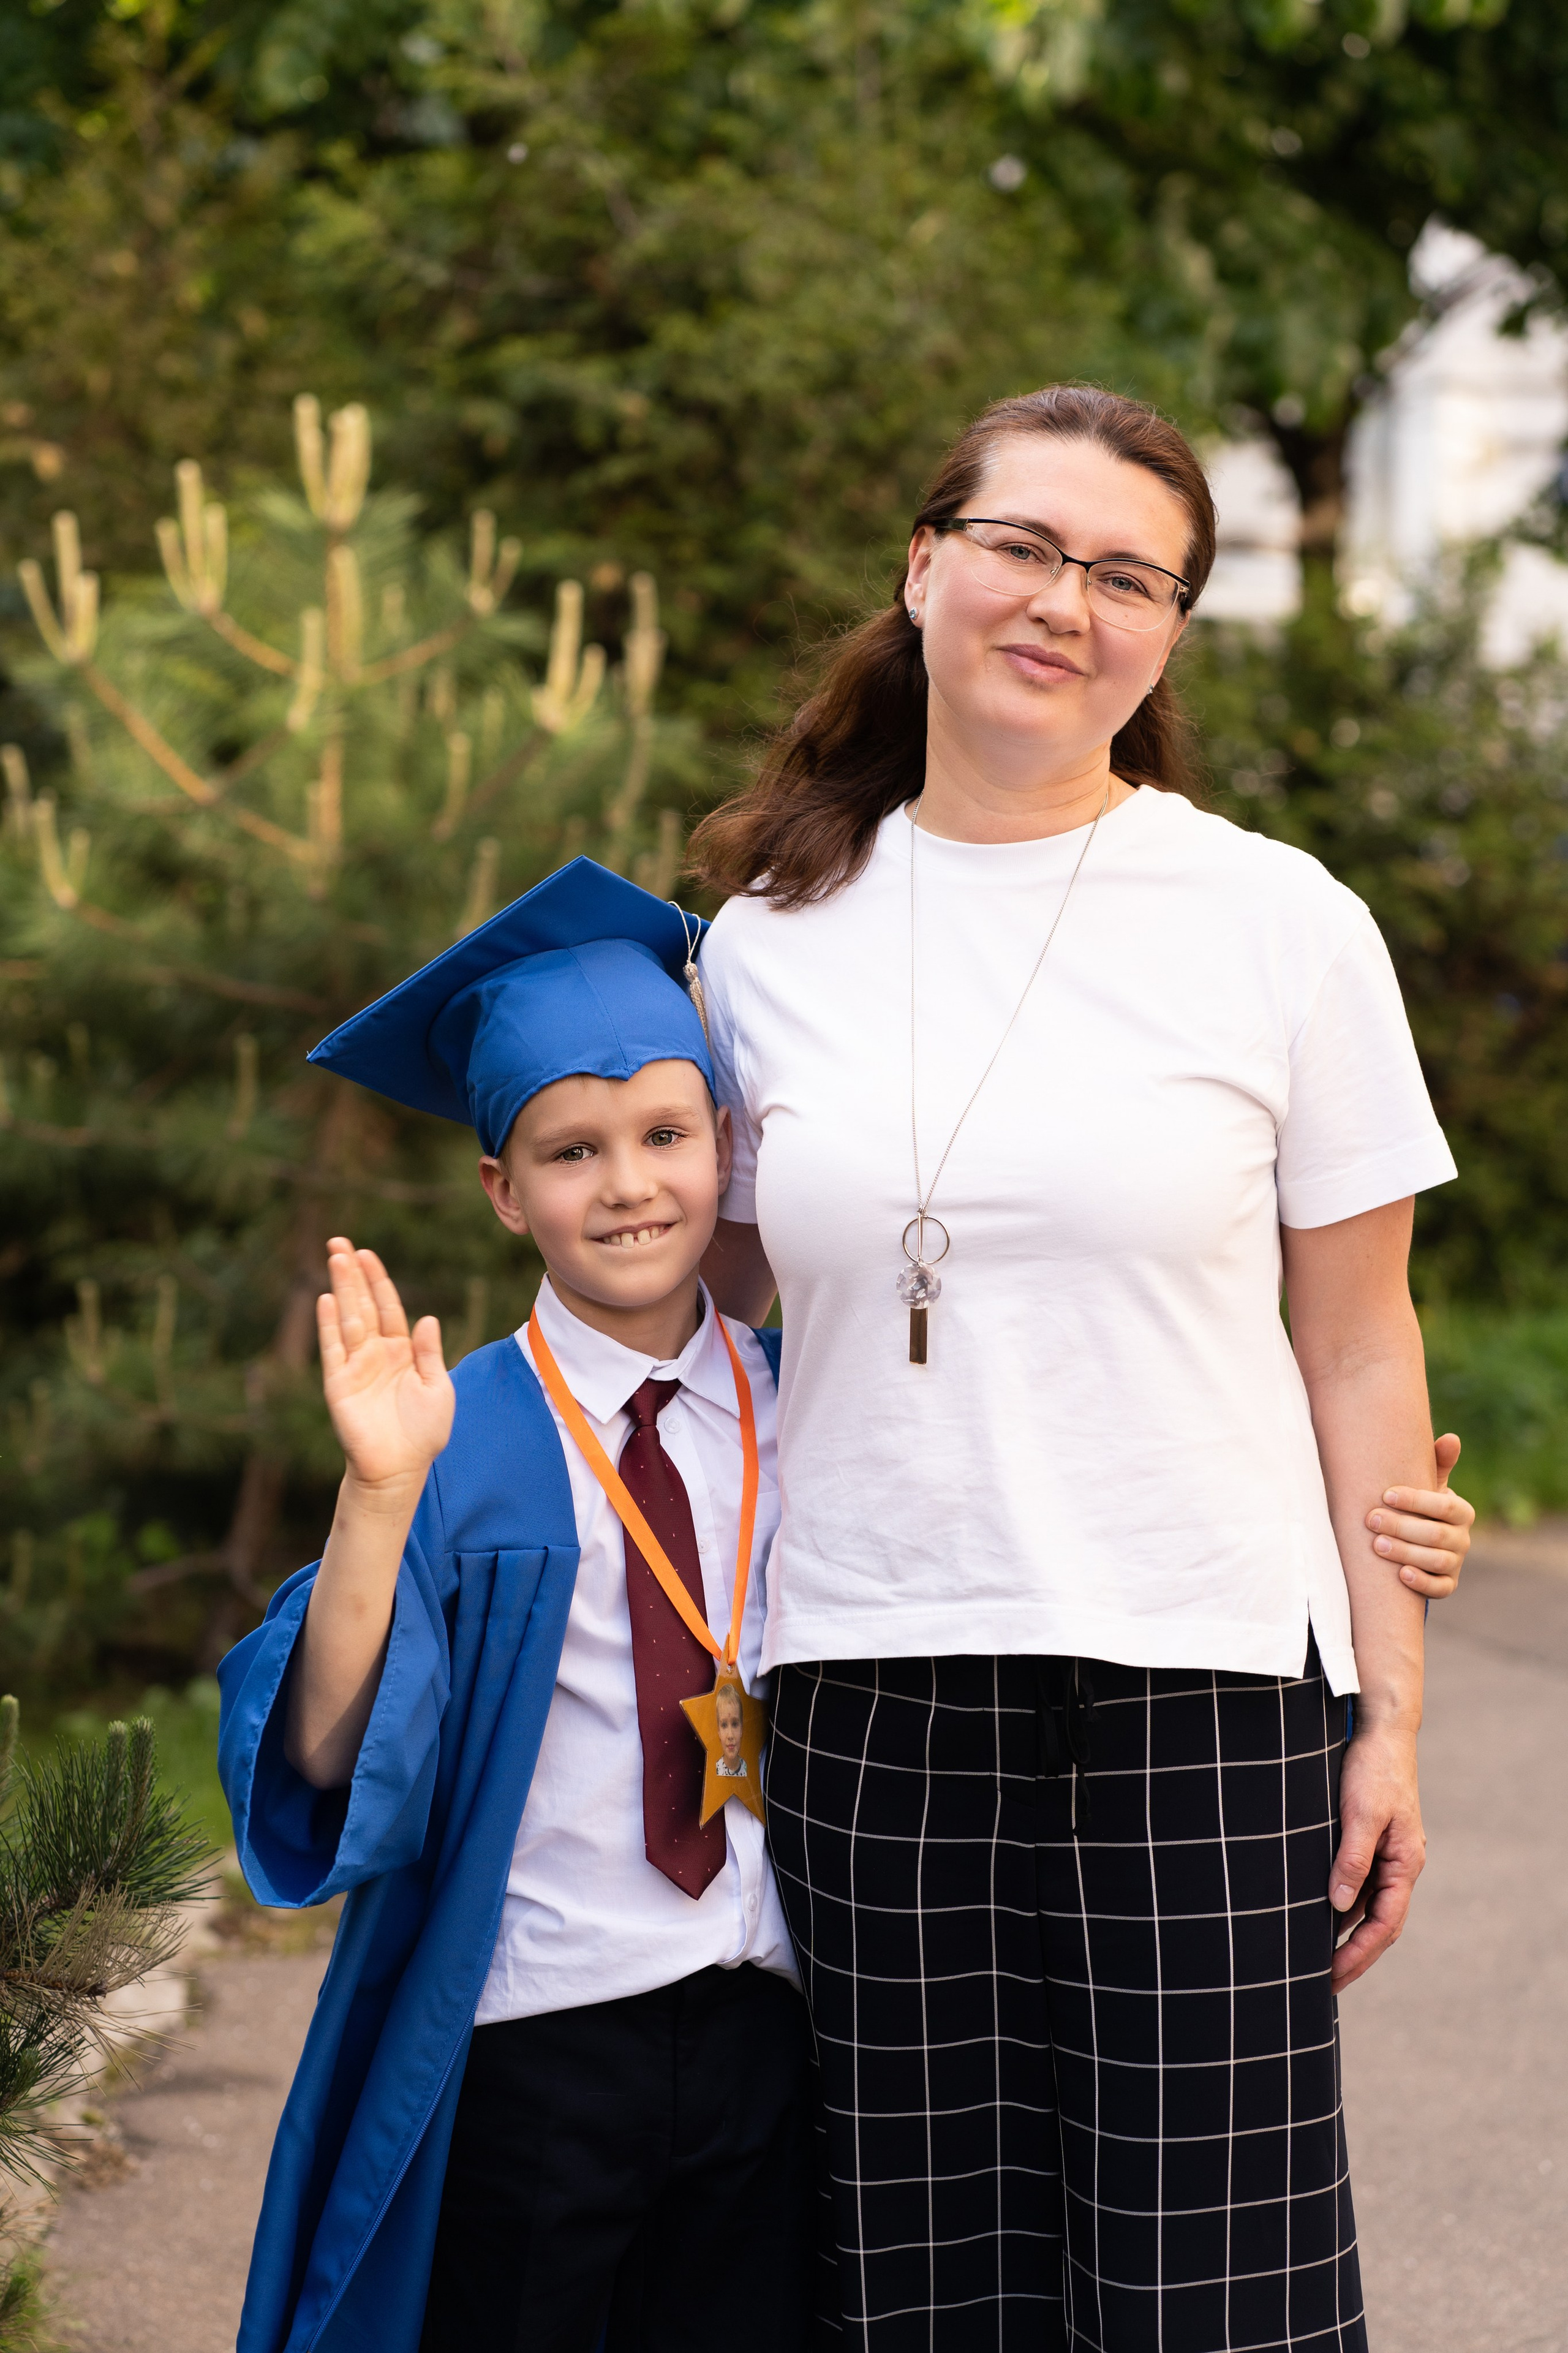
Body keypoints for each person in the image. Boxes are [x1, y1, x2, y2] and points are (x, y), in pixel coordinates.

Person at [688, 385, 1476, 2350]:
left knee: (1210, 2286)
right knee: (920, 2274)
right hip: (869, 1672)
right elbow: (700, 1303)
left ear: (1170, 630)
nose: (1066, 602)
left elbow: (1360, 1339)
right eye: (1028, 546)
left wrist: (1386, 1716)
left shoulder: (1280, 921)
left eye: (1128, 575)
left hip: (1201, 1666)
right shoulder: (762, 939)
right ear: (926, 560)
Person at [216, 861, 813, 2353]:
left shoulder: (815, 1397)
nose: (626, 1183)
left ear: (724, 1148)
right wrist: (377, 1495)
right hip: (542, 2042)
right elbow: (330, 1751)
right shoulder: (461, 1432)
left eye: (665, 1133)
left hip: (780, 2030)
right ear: (502, 1189)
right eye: (569, 1149)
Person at [715, 1681, 748, 1775]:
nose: (730, 1735)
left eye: (735, 1724)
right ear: (719, 1731)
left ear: (742, 1729)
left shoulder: (747, 1768)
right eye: (724, 1725)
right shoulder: (716, 1769)